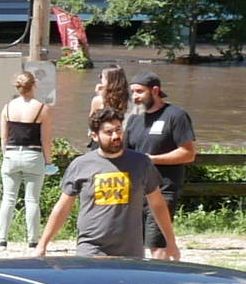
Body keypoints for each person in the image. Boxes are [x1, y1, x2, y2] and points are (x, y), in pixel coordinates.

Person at [36, 108, 179, 261]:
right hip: (91, 249)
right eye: (109, 132)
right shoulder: (81, 165)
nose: (116, 136)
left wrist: (170, 242)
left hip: (131, 251)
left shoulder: (141, 163)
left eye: (118, 130)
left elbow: (157, 204)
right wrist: (42, 244)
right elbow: (63, 207)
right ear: (95, 136)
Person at [0, 70, 52, 247]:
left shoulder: (8, 107)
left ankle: (2, 239)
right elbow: (46, 139)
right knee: (32, 199)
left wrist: (6, 155)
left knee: (8, 198)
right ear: (34, 85)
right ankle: (33, 240)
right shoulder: (42, 108)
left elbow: (4, 137)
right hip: (33, 155)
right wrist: (49, 161)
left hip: (11, 153)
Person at [133, 73, 199, 226]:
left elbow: (188, 154)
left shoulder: (176, 116)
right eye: (132, 92)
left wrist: (152, 159)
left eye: (139, 91)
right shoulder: (134, 119)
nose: (135, 96)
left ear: (155, 91)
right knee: (134, 244)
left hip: (163, 191)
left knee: (158, 245)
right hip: (136, 191)